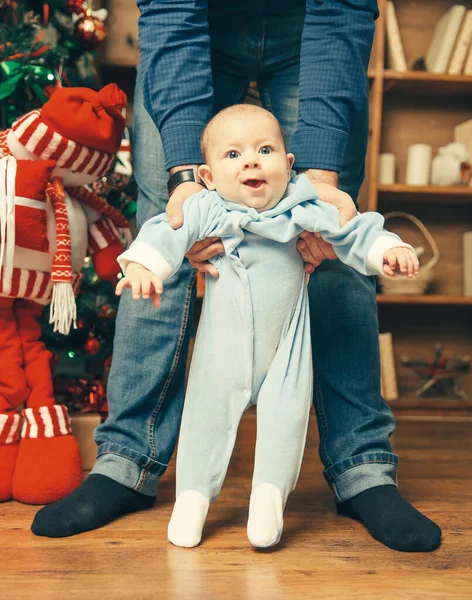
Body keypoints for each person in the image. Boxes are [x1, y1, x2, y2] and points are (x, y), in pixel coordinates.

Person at [32, 0, 442, 553]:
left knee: (334, 224)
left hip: (314, 29)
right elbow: (171, 12)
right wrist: (184, 179)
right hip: (193, 27)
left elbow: (341, 11)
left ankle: (362, 468)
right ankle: (126, 460)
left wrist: (315, 181)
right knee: (169, 220)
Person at [115, 104, 419, 549]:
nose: (252, 161)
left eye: (264, 150)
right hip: (222, 353)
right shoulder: (207, 207)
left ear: (289, 165)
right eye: (233, 155)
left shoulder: (302, 207)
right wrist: (144, 266)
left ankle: (268, 498)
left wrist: (385, 248)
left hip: (286, 353)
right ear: (208, 176)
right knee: (206, 420)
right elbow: (166, 231)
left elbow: (350, 229)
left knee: (284, 421)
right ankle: (192, 500)